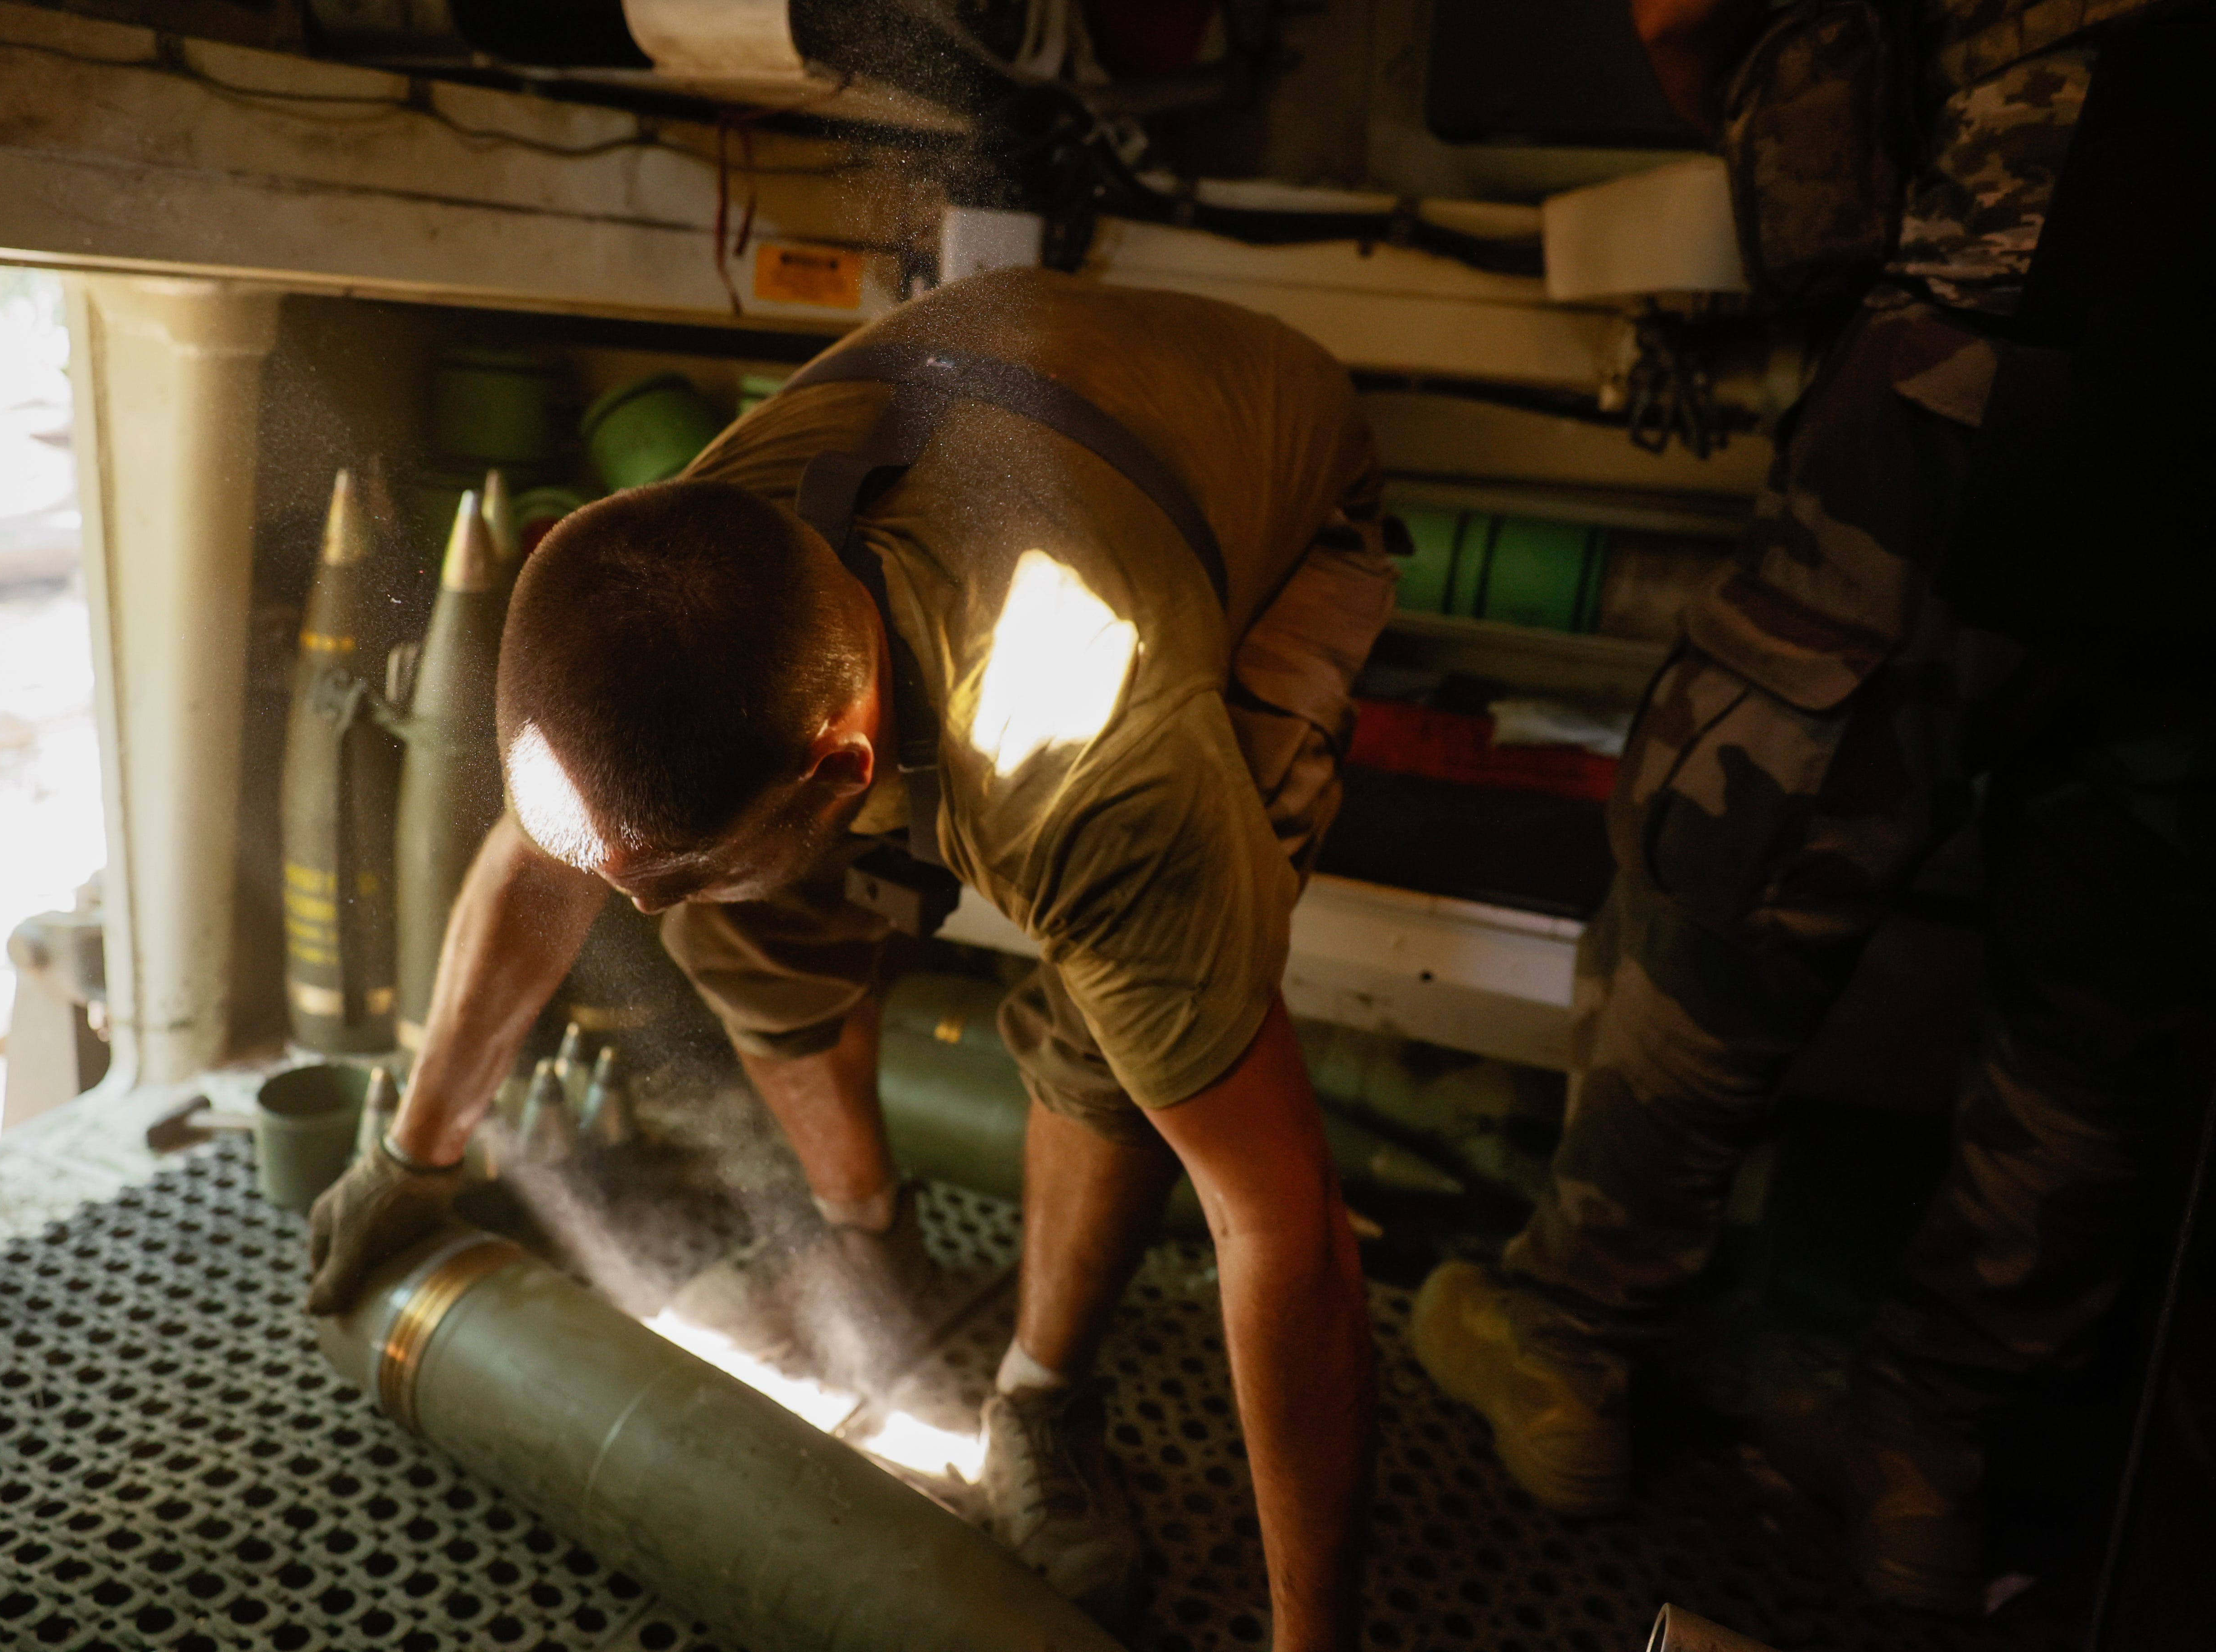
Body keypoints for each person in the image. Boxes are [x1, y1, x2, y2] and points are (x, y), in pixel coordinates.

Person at [305, 267, 1400, 1650]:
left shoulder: (1096, 770)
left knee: (1124, 1036)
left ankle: (1047, 1400)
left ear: (851, 765)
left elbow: (1280, 1226)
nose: (627, 928)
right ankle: (870, 1243)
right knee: (721, 891)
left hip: (1269, 501)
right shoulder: (681, 559)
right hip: (1041, 415)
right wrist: (416, 1154)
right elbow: (559, 851)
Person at [1411, 0, 2214, 1618]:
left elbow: (1695, 10)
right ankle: (1930, 1449)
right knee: (2107, 966)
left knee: (1741, 848)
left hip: (2019, 296)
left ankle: (1574, 1342)